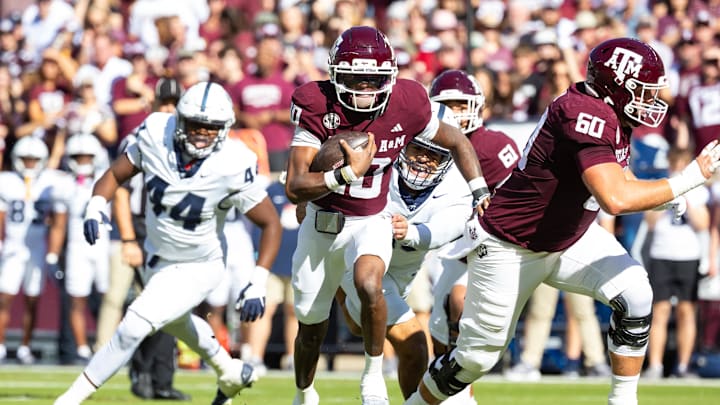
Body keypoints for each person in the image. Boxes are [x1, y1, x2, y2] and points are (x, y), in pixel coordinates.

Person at [403, 38, 720, 405]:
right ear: (618, 85)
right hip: (510, 245)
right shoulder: (584, 114)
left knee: (636, 293)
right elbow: (614, 199)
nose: (651, 102)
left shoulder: (607, 112)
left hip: (566, 238)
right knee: (474, 360)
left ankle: (623, 401)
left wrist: (666, 196)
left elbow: (621, 178)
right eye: (643, 92)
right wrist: (689, 178)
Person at [284, 26, 489, 405]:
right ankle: (304, 391)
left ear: (390, 78)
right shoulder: (316, 103)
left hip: (370, 220)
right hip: (323, 222)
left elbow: (457, 140)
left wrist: (479, 189)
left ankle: (372, 378)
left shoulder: (407, 102)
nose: (364, 90)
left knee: (368, 283)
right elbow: (295, 185)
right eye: (355, 79)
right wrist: (343, 174)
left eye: (373, 80)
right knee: (311, 326)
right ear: (334, 75)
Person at [53, 81, 282, 405]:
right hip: (156, 256)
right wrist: (95, 205)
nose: (202, 133)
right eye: (195, 124)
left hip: (200, 264)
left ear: (224, 128)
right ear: (179, 119)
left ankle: (69, 400)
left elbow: (270, 222)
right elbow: (116, 174)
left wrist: (258, 279)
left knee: (133, 326)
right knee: (178, 322)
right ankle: (229, 371)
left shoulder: (233, 161)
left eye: (211, 127)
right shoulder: (155, 133)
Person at [336, 103, 473, 400]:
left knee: (361, 327)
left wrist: (412, 232)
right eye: (417, 150)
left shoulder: (457, 187)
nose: (423, 160)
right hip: (363, 264)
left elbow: (446, 228)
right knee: (414, 344)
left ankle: (345, 298)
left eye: (434, 154)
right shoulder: (378, 164)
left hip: (405, 271)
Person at [425, 69, 520, 403]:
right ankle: (450, 391)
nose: (455, 112)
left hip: (484, 242)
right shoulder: (427, 144)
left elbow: (514, 200)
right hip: (442, 241)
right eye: (447, 106)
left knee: (459, 305)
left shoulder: (494, 146)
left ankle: (461, 392)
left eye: (461, 105)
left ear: (477, 106)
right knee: (438, 321)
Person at [113, 77, 192, 400]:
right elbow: (120, 191)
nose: (169, 109)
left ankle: (161, 379)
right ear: (153, 105)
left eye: (175, 103)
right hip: (143, 227)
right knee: (153, 304)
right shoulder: (138, 138)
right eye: (164, 103)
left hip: (173, 227)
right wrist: (129, 239)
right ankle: (142, 371)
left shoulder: (186, 139)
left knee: (171, 306)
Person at [0, 136, 68, 364]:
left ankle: (24, 347)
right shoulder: (7, 181)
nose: (29, 164)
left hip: (37, 248)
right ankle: (0, 346)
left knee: (32, 299)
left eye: (34, 160)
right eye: (25, 160)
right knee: (4, 298)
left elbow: (59, 216)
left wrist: (52, 253)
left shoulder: (51, 181)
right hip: (12, 246)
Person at [643, 147, 709, 379]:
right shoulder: (660, 184)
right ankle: (655, 365)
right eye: (674, 162)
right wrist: (668, 197)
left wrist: (687, 197)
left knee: (686, 311)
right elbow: (650, 221)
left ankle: (682, 366)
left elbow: (702, 224)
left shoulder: (698, 190)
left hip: (687, 256)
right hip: (661, 254)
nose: (678, 166)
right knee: (659, 311)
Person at [61, 133, 111, 364]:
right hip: (77, 248)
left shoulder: (105, 179)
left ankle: (107, 344)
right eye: (78, 157)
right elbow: (58, 223)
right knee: (77, 299)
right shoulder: (63, 184)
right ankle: (81, 349)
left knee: (109, 299)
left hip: (103, 246)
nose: (83, 162)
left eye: (87, 157)